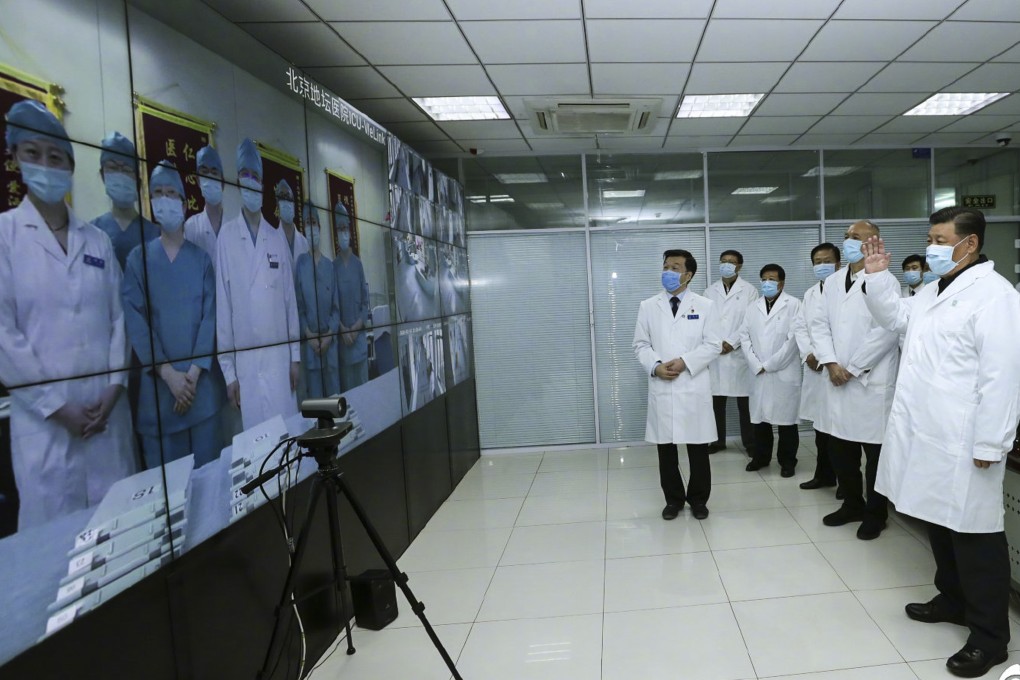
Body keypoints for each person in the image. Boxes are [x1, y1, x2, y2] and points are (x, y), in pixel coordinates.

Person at [861, 207, 1020, 678]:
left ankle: (990, 638)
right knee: (940, 524)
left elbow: (1002, 376)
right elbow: (896, 318)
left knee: (976, 536)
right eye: (929, 237)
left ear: (968, 243)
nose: (930, 247)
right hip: (928, 432)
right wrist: (876, 277)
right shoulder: (934, 289)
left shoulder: (995, 296)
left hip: (966, 437)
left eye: (938, 238)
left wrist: (992, 442)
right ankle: (952, 599)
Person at [0, 100, 135, 529]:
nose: (45, 165)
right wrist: (56, 406)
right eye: (33, 153)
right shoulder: (6, 237)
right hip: (45, 430)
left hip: (107, 419)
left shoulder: (95, 241)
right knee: (55, 548)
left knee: (117, 535)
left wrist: (115, 387)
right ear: (15, 158)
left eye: (56, 157)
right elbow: (4, 335)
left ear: (71, 166)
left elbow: (118, 320)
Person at [121, 160, 225, 469]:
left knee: (211, 484)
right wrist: (169, 376)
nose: (165, 199)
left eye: (171, 193)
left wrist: (191, 376)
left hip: (201, 392)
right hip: (160, 399)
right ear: (150, 201)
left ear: (183, 201)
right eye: (158, 193)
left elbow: (209, 318)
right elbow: (137, 323)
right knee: (172, 500)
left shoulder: (201, 261)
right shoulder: (138, 260)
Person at [811, 220, 899, 541]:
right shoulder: (832, 282)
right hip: (837, 379)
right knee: (841, 451)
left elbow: (887, 330)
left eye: (856, 237)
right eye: (847, 237)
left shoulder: (884, 281)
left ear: (873, 242)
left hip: (870, 381)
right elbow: (818, 326)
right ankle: (851, 503)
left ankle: (876, 513)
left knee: (874, 455)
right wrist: (832, 363)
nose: (849, 242)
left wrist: (854, 367)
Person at [216, 138, 300, 430]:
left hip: (280, 362)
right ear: (238, 180)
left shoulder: (276, 238)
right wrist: (229, 373)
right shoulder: (226, 239)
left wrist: (295, 357)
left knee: (287, 435)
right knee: (258, 445)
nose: (250, 181)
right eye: (245, 175)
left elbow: (290, 303)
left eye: (256, 176)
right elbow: (223, 310)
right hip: (247, 368)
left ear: (264, 183)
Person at [634, 249, 722, 521]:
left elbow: (713, 344)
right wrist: (656, 366)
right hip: (663, 384)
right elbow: (640, 344)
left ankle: (698, 500)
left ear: (688, 274)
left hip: (692, 384)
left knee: (697, 448)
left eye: (674, 267)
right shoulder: (648, 306)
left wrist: (685, 361)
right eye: (665, 266)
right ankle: (673, 500)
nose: (668, 272)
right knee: (666, 449)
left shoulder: (705, 305)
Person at [740, 264, 802, 477]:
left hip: (783, 371)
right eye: (764, 278)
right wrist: (756, 363)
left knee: (787, 422)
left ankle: (787, 462)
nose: (767, 283)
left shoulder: (794, 305)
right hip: (758, 371)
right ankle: (761, 457)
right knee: (760, 420)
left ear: (782, 283)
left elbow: (793, 339)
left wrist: (771, 364)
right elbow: (744, 337)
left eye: (772, 279)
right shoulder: (752, 307)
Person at [793, 243, 841, 495]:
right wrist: (808, 353)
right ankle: (823, 475)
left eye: (827, 260)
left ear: (838, 263)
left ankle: (845, 482)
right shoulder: (810, 293)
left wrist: (825, 356)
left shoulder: (847, 289)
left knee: (840, 431)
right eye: (817, 261)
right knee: (820, 428)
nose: (821, 265)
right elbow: (800, 326)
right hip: (815, 367)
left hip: (837, 368)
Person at [705, 249, 758, 454]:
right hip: (716, 354)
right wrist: (717, 343)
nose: (726, 264)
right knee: (716, 402)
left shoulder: (750, 291)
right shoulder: (710, 291)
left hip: (739, 353)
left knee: (744, 404)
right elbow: (705, 321)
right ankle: (717, 441)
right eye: (723, 261)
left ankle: (750, 443)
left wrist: (732, 342)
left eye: (731, 262)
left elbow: (750, 321)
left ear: (739, 266)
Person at [90, 131, 159, 270]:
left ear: (137, 181)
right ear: (103, 175)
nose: (120, 175)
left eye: (127, 169)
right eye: (113, 168)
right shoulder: (92, 231)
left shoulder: (154, 234)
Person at [294, 202, 340, 398]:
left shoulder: (330, 266)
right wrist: (310, 336)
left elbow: (336, 309)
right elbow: (300, 308)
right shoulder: (301, 265)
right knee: (318, 408)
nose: (311, 227)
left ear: (320, 227)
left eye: (314, 222)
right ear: (303, 228)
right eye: (307, 223)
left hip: (330, 348)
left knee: (335, 402)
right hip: (311, 349)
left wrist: (329, 335)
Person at [333, 201, 370, 392]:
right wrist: (343, 330)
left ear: (349, 229)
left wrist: (355, 328)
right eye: (339, 229)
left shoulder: (358, 265)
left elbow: (366, 303)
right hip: (344, 345)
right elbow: (332, 306)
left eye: (345, 227)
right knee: (349, 397)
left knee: (364, 393)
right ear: (335, 233)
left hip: (359, 342)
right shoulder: (333, 266)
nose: (342, 232)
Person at [184, 145, 225, 268]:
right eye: (204, 172)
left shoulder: (234, 228)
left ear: (223, 183)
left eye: (214, 172)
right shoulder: (190, 227)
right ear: (198, 180)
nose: (209, 176)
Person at [273, 179, 308, 265]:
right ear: (277, 204)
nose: (286, 200)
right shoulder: (271, 241)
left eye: (288, 197)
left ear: (294, 204)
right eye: (282, 197)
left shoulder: (305, 243)